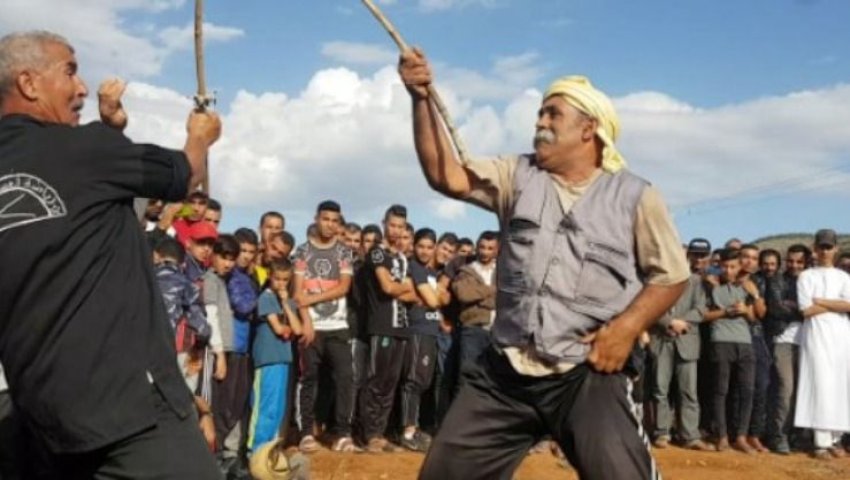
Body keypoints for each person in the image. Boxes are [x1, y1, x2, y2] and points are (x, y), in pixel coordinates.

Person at [399, 49, 687, 479]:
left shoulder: (635, 196)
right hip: (505, 373)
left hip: (587, 372)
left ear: (589, 128)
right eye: (540, 114)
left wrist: (626, 329)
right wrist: (421, 99)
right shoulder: (516, 175)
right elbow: (447, 177)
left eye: (553, 114)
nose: (540, 122)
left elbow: (672, 275)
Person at [0, 30, 221, 478]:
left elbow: (85, 204)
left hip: (40, 419)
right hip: (131, 413)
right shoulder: (83, 148)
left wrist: (112, 132)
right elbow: (184, 175)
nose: (82, 87)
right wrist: (200, 136)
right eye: (70, 72)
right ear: (29, 83)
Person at [291, 200, 356, 453]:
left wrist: (311, 298)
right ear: (317, 219)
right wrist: (306, 321)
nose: (329, 225)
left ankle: (342, 433)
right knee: (308, 379)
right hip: (312, 328)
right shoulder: (302, 252)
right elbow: (297, 292)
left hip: (338, 326)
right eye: (325, 219)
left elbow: (343, 287)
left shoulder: (343, 252)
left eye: (334, 221)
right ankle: (306, 432)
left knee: (346, 378)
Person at [649, 238, 714, 451]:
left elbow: (701, 309)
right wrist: (669, 322)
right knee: (660, 389)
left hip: (687, 340)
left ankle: (690, 435)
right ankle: (662, 432)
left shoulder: (695, 282)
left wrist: (680, 322)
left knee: (688, 391)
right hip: (661, 339)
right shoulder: (657, 279)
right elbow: (650, 307)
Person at [795, 229, 850, 459]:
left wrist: (822, 301)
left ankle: (836, 438)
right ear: (815, 249)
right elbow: (806, 310)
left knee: (839, 384)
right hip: (816, 335)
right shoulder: (806, 276)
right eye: (822, 247)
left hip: (841, 336)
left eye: (829, 247)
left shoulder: (843, 277)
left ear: (835, 249)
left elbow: (848, 306)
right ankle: (821, 441)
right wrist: (835, 304)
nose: (825, 251)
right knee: (819, 383)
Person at [703, 248, 757, 453]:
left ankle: (741, 437)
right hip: (720, 341)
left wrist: (746, 309)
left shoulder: (746, 287)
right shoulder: (710, 286)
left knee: (746, 390)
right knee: (720, 390)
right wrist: (726, 311)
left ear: (739, 267)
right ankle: (722, 436)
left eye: (732, 266)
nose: (728, 270)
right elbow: (703, 315)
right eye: (724, 266)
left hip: (745, 342)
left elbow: (754, 317)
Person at [247, 259, 303, 452]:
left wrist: (286, 303)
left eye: (285, 280)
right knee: (265, 408)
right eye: (277, 279)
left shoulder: (287, 302)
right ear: (270, 277)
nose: (281, 283)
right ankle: (255, 451)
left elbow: (297, 329)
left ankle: (269, 451)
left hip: (282, 359)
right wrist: (288, 328)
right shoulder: (266, 297)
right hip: (267, 359)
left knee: (277, 409)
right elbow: (280, 329)